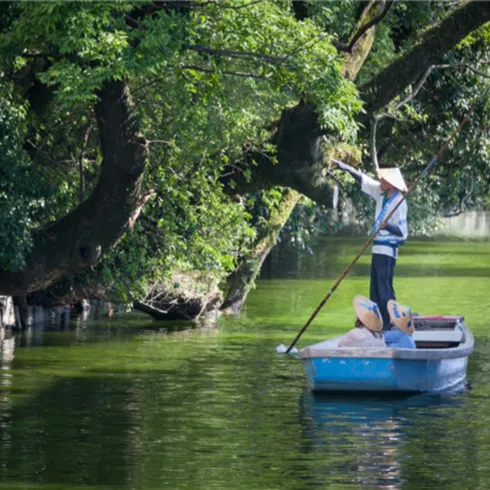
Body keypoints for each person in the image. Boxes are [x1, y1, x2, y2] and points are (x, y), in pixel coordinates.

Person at [332, 159, 408, 329]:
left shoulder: (399, 202)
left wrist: (387, 225)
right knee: (374, 289)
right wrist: (343, 166)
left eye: (383, 180)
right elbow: (363, 179)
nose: (380, 181)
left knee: (384, 288)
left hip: (387, 250)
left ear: (391, 184)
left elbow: (403, 232)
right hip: (376, 248)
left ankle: (390, 323)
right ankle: (377, 323)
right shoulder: (380, 192)